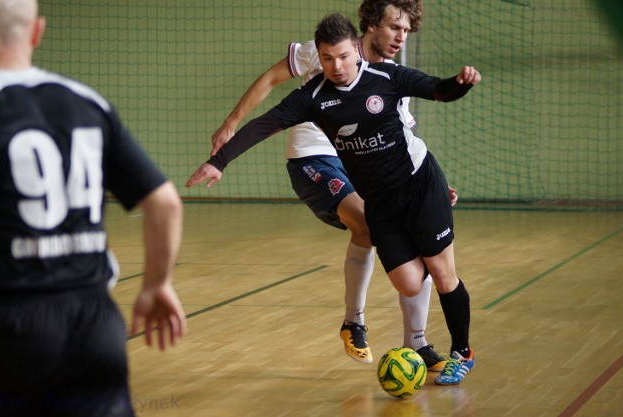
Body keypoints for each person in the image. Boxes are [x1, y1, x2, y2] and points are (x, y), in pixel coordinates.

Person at [187, 13, 480, 385]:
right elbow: (266, 123)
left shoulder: (387, 78)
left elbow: (439, 90)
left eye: (343, 56)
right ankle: (385, 296)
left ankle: (462, 352)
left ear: (355, 51)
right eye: (327, 59)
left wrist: (461, 82)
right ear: (319, 58)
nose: (336, 66)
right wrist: (219, 162)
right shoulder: (312, 98)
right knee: (409, 282)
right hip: (381, 202)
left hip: (419, 183)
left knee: (442, 273)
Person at [0, 1, 186, 415]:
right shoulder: (86, 101)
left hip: (11, 324)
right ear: (37, 32)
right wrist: (157, 285)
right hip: (95, 321)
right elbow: (165, 203)